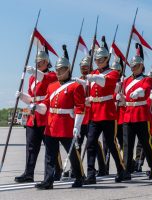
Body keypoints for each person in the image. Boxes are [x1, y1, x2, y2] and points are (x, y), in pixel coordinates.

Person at [33, 45, 85, 189]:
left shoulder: (76, 86)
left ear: (68, 70)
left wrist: (77, 126)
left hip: (67, 125)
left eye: (61, 70)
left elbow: (80, 107)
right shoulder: (51, 86)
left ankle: (80, 176)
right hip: (52, 124)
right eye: (57, 70)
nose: (58, 72)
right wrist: (36, 107)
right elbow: (46, 105)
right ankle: (48, 180)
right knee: (49, 155)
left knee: (72, 153)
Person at [15, 47, 62, 183]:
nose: (38, 64)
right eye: (37, 62)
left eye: (40, 62)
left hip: (46, 114)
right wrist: (22, 96)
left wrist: (36, 73)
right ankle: (28, 173)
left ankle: (56, 171)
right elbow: (31, 97)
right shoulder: (32, 78)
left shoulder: (53, 75)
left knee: (51, 147)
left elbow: (46, 79)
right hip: (34, 116)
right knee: (31, 146)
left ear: (47, 62)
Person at [84, 41, 127, 184]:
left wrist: (94, 77)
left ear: (107, 59)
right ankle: (91, 173)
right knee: (90, 143)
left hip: (107, 113)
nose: (97, 62)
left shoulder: (113, 72)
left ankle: (121, 170)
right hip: (94, 113)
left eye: (100, 59)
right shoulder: (94, 73)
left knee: (111, 143)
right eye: (96, 60)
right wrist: (88, 98)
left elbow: (106, 82)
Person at [121, 43, 152, 179]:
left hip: (141, 115)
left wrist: (138, 92)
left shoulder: (147, 79)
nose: (134, 68)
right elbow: (123, 95)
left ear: (141, 66)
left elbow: (144, 88)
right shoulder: (126, 81)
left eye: (136, 66)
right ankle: (126, 170)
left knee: (146, 143)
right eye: (132, 66)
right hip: (128, 115)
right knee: (127, 145)